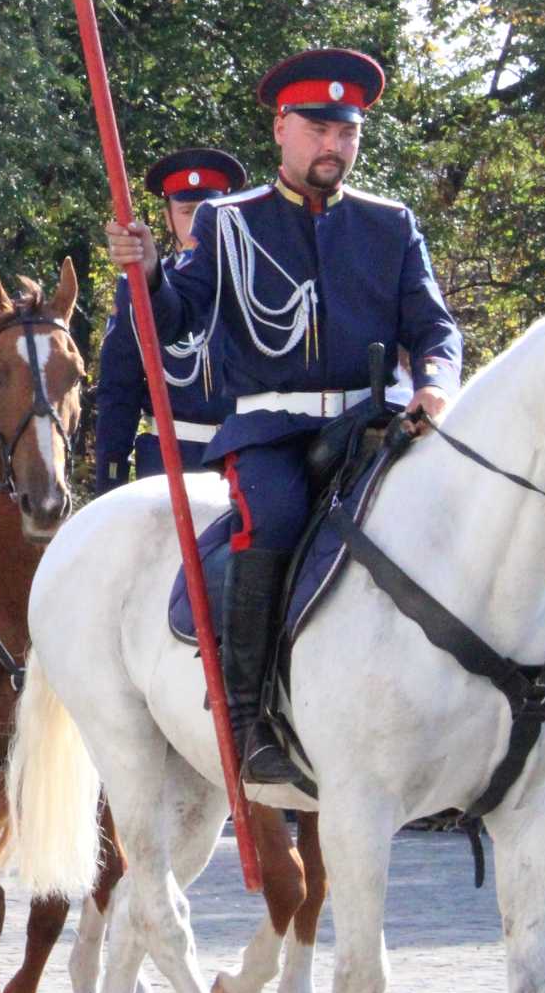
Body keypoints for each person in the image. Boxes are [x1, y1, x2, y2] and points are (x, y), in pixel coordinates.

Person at [105, 48, 460, 786]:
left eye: (348, 131)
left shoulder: (390, 225)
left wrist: (435, 383)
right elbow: (176, 320)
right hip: (273, 432)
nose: (334, 145)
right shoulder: (229, 224)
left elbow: (434, 326)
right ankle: (245, 717)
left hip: (374, 427)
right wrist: (144, 273)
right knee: (268, 521)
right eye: (319, 128)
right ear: (282, 130)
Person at [93, 148, 245, 491]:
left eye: (207, 212)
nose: (196, 225)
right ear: (167, 217)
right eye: (187, 211)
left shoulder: (251, 284)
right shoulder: (140, 288)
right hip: (169, 464)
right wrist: (111, 478)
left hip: (244, 458)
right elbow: (119, 390)